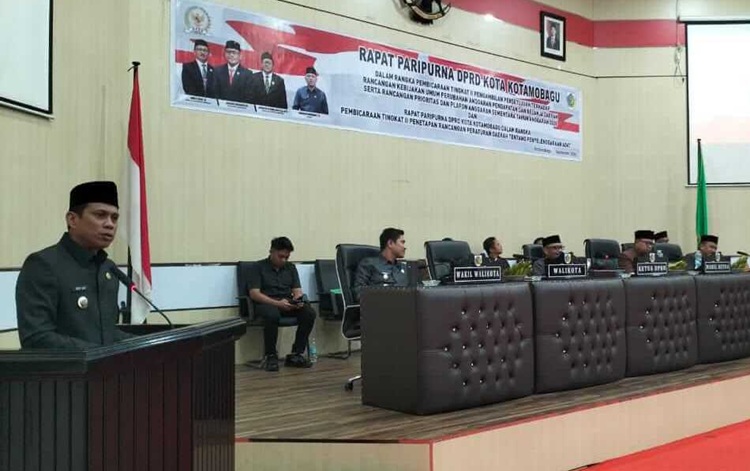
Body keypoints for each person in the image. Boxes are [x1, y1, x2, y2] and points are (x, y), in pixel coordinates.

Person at [16, 181, 136, 349]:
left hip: (103, 366)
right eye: (100, 215)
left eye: (114, 218)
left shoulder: (107, 268)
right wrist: (98, 353)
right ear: (72, 219)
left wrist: (147, 344)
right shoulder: (43, 265)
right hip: (67, 367)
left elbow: (106, 334)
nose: (110, 224)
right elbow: (37, 338)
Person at [248, 237, 316, 372]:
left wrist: (297, 301)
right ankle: (270, 355)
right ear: (272, 252)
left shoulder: (290, 268)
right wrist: (277, 303)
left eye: (287, 257)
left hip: (286, 303)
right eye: (281, 256)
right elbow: (254, 294)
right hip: (266, 303)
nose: (284, 260)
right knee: (272, 315)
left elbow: (297, 291)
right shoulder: (258, 267)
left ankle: (296, 354)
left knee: (309, 313)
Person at [353, 228, 408, 302]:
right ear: (390, 243)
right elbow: (359, 293)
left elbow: (419, 291)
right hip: (381, 306)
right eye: (402, 242)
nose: (404, 247)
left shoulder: (405, 268)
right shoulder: (369, 264)